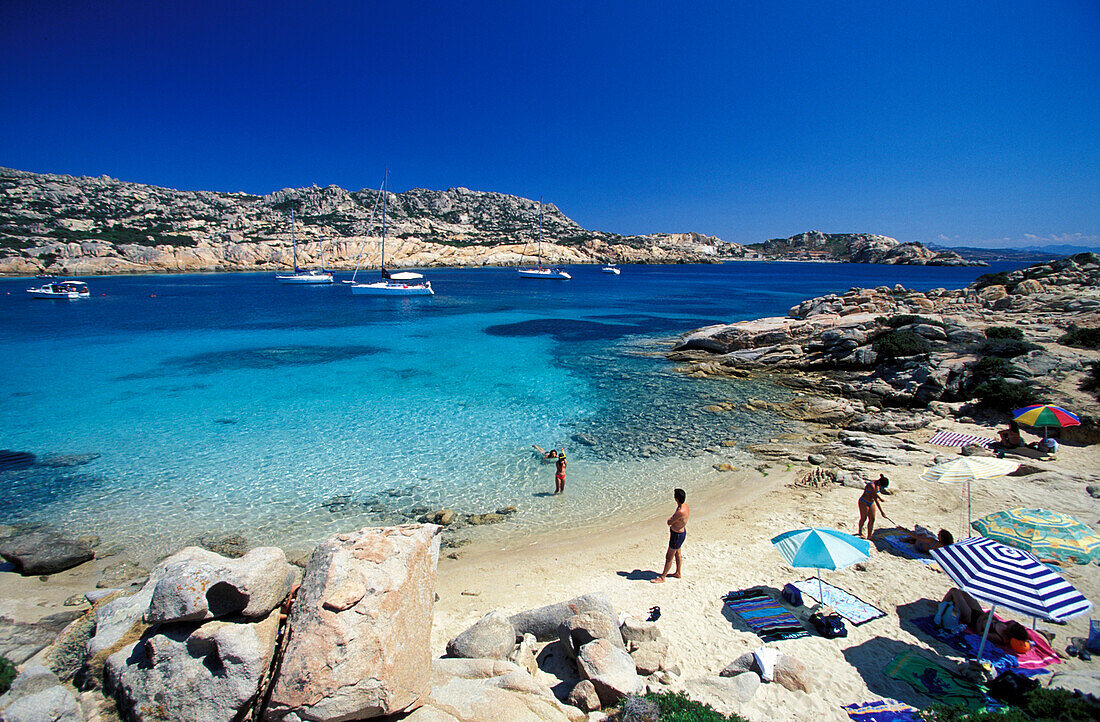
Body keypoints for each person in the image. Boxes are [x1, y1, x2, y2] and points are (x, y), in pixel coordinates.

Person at [939, 587, 1031, 654]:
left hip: (971, 619)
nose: (1011, 622)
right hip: (979, 613)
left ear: (1012, 631)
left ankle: (941, 608)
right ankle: (948, 605)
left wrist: (982, 620)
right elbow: (994, 619)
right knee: (963, 591)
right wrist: (988, 616)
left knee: (954, 591)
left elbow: (980, 633)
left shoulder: (999, 637)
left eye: (1012, 625)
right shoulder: (1006, 626)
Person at [652, 488, 689, 583]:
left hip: (676, 536)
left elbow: (670, 522)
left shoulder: (680, 511)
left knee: (669, 557)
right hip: (680, 533)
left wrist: (670, 520)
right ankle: (678, 573)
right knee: (677, 553)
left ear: (676, 499)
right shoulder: (685, 506)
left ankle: (662, 577)